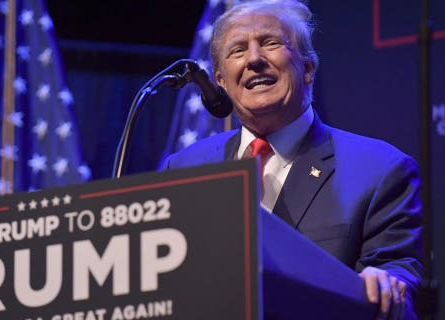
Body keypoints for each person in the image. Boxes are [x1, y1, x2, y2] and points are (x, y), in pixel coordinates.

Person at [159, 0, 423, 319]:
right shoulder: (186, 170)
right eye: (237, 50)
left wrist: (384, 285)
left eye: (270, 43)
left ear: (308, 68)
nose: (254, 59)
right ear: (221, 82)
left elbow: (396, 277)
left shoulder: (380, 169)